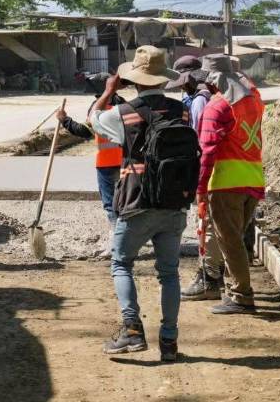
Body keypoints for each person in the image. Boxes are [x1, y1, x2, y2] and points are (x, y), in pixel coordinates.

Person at [90, 46, 195, 363]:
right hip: (174, 202)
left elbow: (92, 119)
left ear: (133, 80)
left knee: (122, 264)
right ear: (164, 79)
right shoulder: (182, 112)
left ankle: (133, 331)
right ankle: (169, 342)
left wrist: (109, 91)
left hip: (136, 202)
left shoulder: (121, 114)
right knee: (170, 274)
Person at [197, 54, 265, 314]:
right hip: (252, 178)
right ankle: (235, 290)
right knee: (236, 239)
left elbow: (207, 151)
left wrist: (200, 189)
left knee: (230, 241)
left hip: (226, 183)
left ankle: (241, 296)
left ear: (212, 80)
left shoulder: (217, 106)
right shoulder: (254, 100)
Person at [56, 73, 123, 257]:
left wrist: (64, 119)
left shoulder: (98, 106)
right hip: (126, 162)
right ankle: (125, 240)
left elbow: (84, 131)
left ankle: (115, 246)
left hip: (107, 163)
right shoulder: (123, 103)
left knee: (111, 205)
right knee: (125, 203)